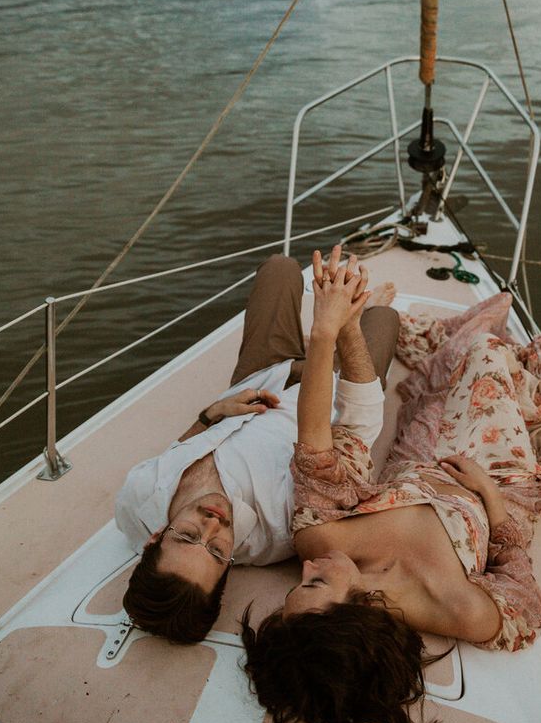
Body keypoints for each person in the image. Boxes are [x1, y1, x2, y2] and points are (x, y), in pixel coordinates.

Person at [241, 251, 541, 723]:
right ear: (359, 610)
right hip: (494, 476)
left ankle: (401, 330)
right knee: (486, 354)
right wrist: (489, 497)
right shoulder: (463, 611)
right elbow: (521, 580)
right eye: (316, 583)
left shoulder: (321, 538)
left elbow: (317, 447)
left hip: (418, 461)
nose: (306, 566)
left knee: (436, 384)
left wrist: (329, 329)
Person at [115, 249, 399, 644]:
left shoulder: (135, 498)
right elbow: (358, 431)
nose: (212, 525)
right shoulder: (279, 533)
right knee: (384, 320)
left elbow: (176, 450)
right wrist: (336, 330)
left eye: (187, 536)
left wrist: (211, 414)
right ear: (227, 570)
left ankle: (325, 332)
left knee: (279, 268)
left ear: (155, 536)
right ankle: (351, 325)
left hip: (263, 376)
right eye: (216, 552)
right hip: (331, 391)